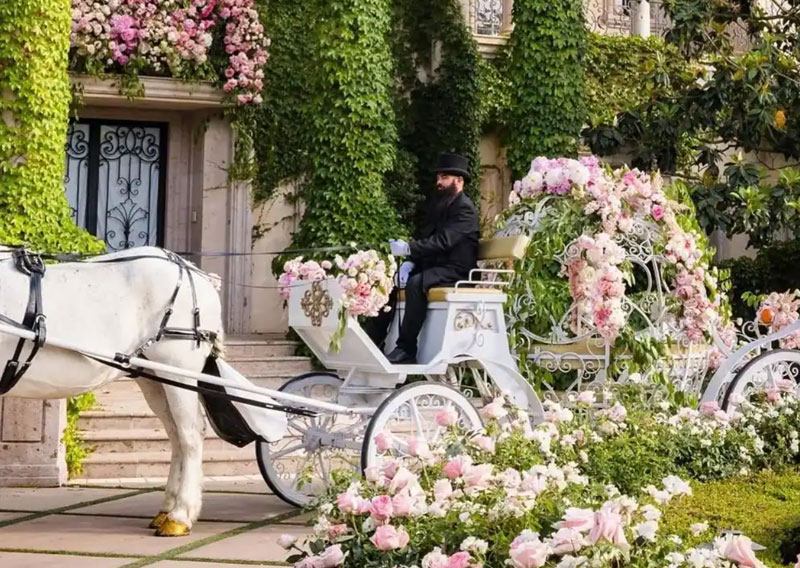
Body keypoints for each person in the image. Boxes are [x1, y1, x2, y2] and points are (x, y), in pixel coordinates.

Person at [366, 152, 480, 364]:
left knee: (417, 283)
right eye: (438, 178)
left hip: (457, 270)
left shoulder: (465, 209)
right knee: (389, 283)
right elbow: (428, 239)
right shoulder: (440, 206)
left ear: (459, 180)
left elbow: (443, 242)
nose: (439, 182)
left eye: (444, 178)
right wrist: (410, 262)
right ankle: (372, 342)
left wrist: (408, 249)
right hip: (436, 268)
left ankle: (406, 350)